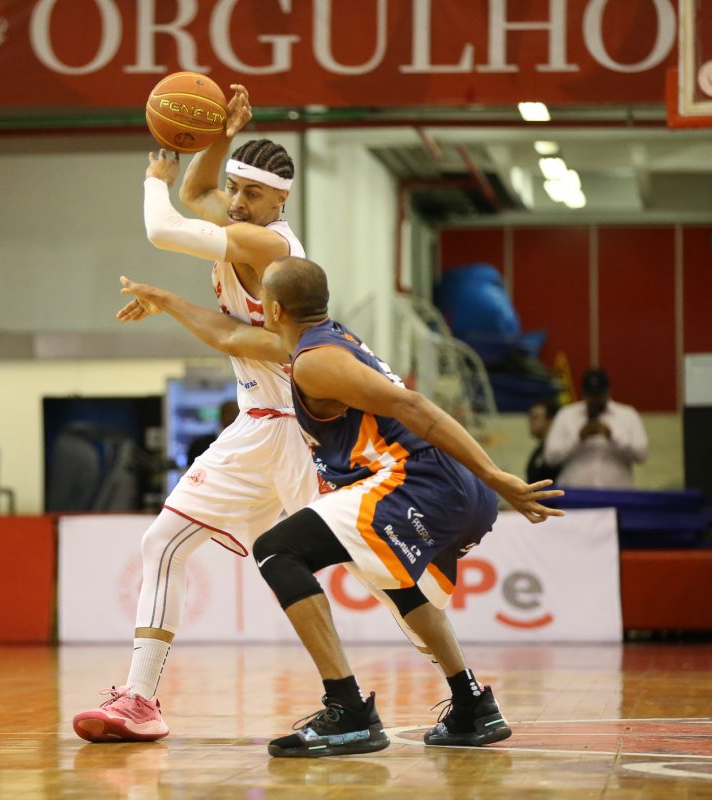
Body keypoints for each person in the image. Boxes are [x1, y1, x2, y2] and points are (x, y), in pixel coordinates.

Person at [115, 257, 564, 758]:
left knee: (279, 550)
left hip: (420, 481)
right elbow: (227, 336)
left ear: (273, 310)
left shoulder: (316, 361)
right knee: (396, 582)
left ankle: (349, 710)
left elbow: (414, 406)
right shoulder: (322, 343)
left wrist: (496, 475)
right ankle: (472, 705)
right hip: (439, 485)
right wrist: (166, 300)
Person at [72, 87, 322, 743]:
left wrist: (153, 176)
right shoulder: (241, 223)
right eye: (235, 188)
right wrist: (220, 136)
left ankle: (456, 686)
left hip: (295, 426)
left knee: (367, 567)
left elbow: (165, 224)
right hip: (260, 423)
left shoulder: (266, 246)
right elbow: (199, 193)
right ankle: (139, 699)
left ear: (280, 202)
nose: (235, 200)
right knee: (166, 544)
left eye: (251, 193)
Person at [543, 368, 648, 488]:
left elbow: (641, 455)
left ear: (608, 391)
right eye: (591, 395)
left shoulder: (627, 415)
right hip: (574, 493)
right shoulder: (566, 414)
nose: (595, 400)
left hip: (617, 493)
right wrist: (578, 439)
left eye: (599, 395)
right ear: (584, 393)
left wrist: (612, 436)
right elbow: (550, 458)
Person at [185, 400, 240, 466]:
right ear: (222, 415)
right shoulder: (198, 446)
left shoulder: (246, 446)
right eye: (230, 413)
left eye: (238, 414)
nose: (234, 417)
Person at [525, 397, 561, 485]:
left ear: (551, 420)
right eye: (530, 417)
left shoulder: (558, 452)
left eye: (535, 417)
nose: (530, 421)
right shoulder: (539, 450)